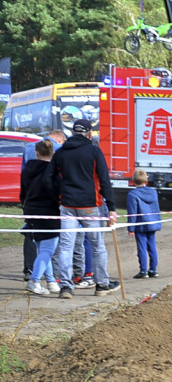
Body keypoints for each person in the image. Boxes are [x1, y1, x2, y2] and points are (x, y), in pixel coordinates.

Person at [49, 118, 117, 298]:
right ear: (89, 134)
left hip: (67, 205)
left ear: (72, 133)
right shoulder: (94, 151)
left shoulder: (61, 153)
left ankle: (65, 287)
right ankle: (102, 284)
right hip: (90, 206)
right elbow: (104, 180)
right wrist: (111, 207)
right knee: (97, 246)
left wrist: (57, 196)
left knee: (66, 247)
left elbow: (49, 178)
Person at [20, 129, 66, 281]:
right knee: (48, 249)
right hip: (49, 211)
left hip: (30, 208)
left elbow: (23, 190)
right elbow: (55, 190)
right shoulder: (53, 170)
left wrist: (24, 205)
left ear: (37, 152)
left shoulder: (28, 160)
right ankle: (35, 280)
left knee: (40, 247)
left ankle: (50, 279)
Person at [126, 169, 161, 278]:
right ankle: (153, 270)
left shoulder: (132, 194)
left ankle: (143, 271)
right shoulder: (153, 192)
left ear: (133, 180)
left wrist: (131, 228)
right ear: (146, 180)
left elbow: (132, 212)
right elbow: (156, 207)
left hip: (140, 225)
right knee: (152, 247)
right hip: (152, 223)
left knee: (141, 247)